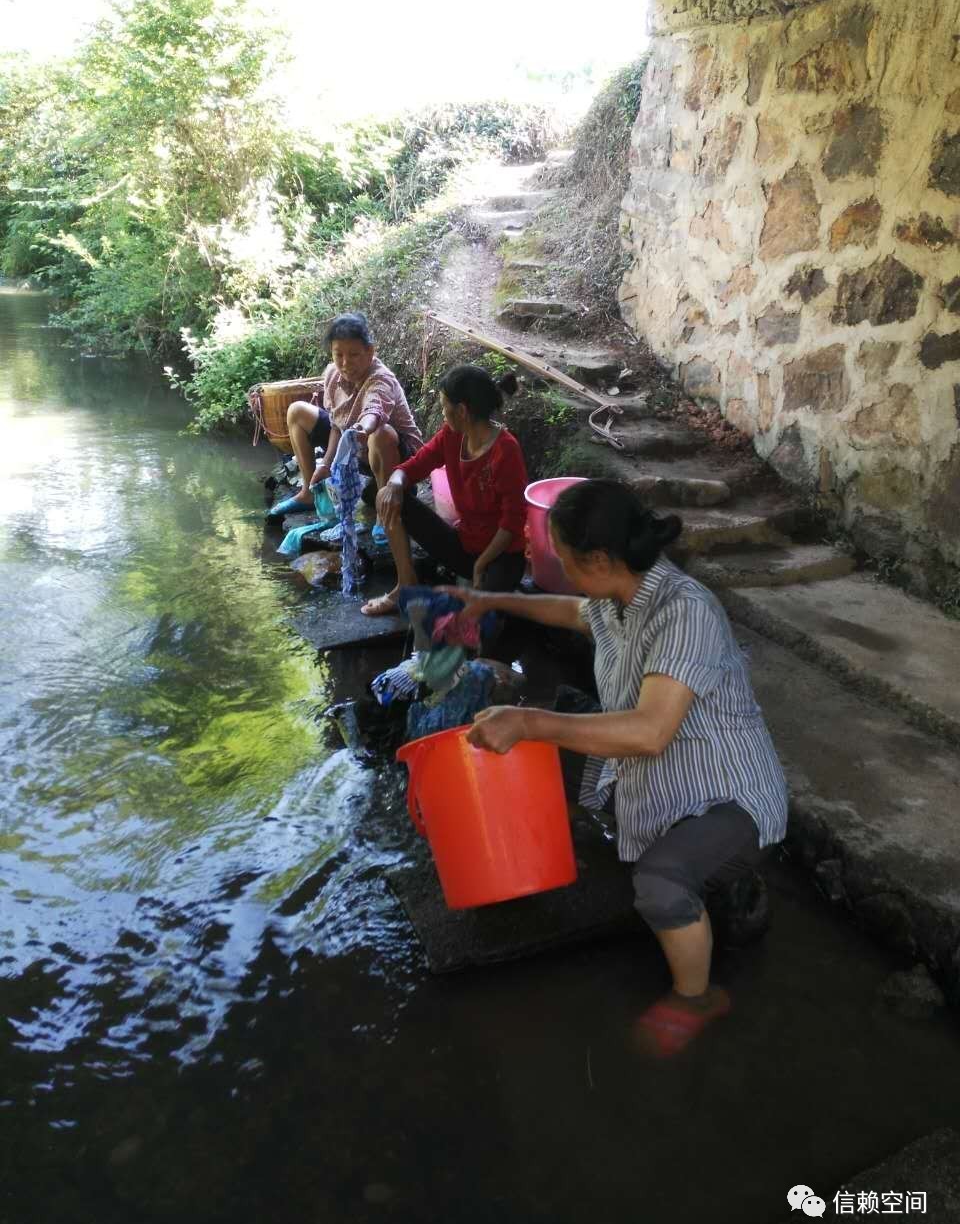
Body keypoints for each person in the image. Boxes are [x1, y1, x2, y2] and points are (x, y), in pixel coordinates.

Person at [447, 479, 788, 1057]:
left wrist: (529, 722)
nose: (545, 560)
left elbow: (651, 732)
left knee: (658, 883)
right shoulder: (616, 599)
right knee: (532, 751)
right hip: (650, 772)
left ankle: (698, 995)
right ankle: (715, 886)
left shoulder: (685, 611)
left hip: (727, 791)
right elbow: (569, 610)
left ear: (599, 559)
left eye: (558, 554)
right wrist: (491, 600)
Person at [360, 365, 529, 618]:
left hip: (500, 557)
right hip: (464, 546)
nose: (442, 412)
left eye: (443, 406)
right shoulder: (451, 435)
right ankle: (405, 585)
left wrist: (482, 564)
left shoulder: (506, 450)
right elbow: (415, 465)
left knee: (483, 622)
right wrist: (394, 483)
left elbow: (512, 522)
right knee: (391, 495)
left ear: (462, 411)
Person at [268, 312, 423, 518]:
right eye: (338, 354)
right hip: (357, 449)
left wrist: (363, 428)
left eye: (354, 355)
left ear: (370, 352)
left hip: (398, 460)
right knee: (297, 411)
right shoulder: (332, 373)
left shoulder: (380, 379)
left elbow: (374, 410)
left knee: (381, 433)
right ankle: (308, 494)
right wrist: (326, 464)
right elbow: (336, 426)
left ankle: (385, 515)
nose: (345, 363)